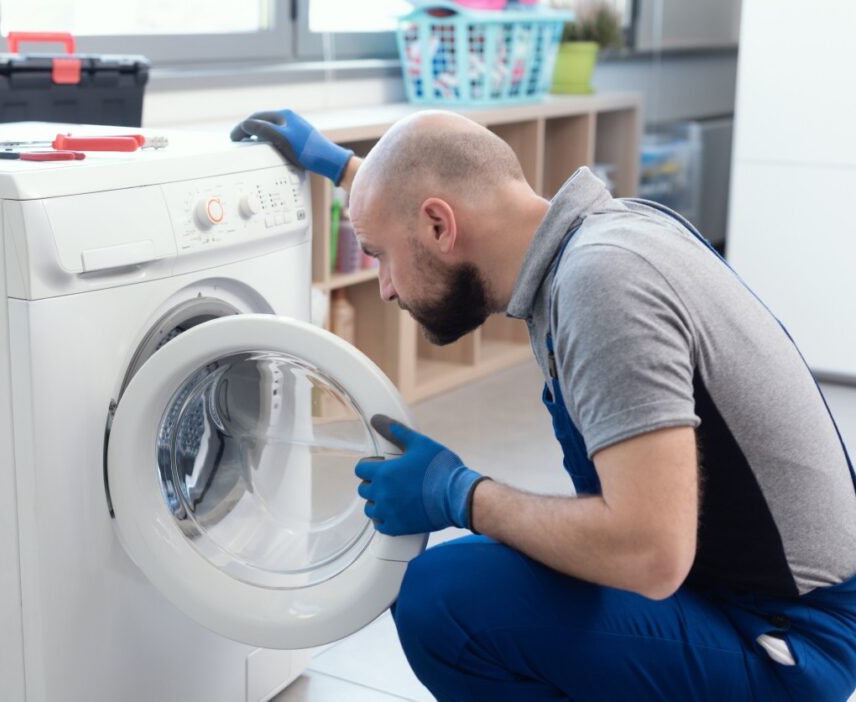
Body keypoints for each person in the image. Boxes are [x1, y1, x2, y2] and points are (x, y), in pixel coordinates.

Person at [231, 109, 856, 701]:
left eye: (380, 256)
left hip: (785, 639)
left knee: (448, 599)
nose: (386, 287)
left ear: (439, 227)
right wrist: (341, 166)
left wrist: (460, 494)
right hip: (739, 591)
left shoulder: (602, 283)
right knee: (475, 582)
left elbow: (650, 554)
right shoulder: (603, 232)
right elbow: (433, 190)